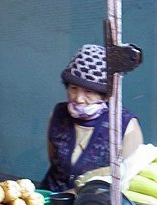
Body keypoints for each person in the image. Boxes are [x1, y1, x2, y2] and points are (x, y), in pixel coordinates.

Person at [42, 44, 144, 192]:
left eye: (88, 91)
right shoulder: (58, 114)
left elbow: (128, 177)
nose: (78, 98)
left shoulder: (125, 125)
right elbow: (54, 162)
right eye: (73, 88)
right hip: (52, 201)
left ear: (104, 95)